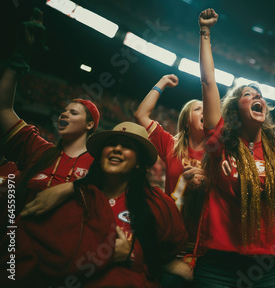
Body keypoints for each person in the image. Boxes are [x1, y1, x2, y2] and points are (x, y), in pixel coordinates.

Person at [1, 122, 189, 287]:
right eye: (111, 144)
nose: (117, 148)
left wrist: (133, 255)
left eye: (127, 146)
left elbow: (168, 253)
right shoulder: (72, 195)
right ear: (99, 156)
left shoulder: (156, 204)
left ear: (139, 162)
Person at [194, 8, 275, 287]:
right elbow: (208, 81)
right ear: (235, 109)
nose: (256, 96)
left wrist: (258, 190)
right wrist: (205, 32)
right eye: (247, 95)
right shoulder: (221, 141)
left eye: (259, 95)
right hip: (218, 262)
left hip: (265, 265)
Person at [0, 14, 100, 221]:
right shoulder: (39, 150)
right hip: (16, 249)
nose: (64, 113)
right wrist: (20, 56)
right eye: (64, 111)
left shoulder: (100, 165)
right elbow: (3, 109)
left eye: (74, 112)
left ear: (90, 125)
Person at [134, 74, 206, 244]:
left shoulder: (219, 151)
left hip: (206, 236)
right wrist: (162, 82)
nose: (205, 111)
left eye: (207, 108)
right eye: (198, 109)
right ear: (186, 122)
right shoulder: (170, 145)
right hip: (171, 233)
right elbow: (141, 115)